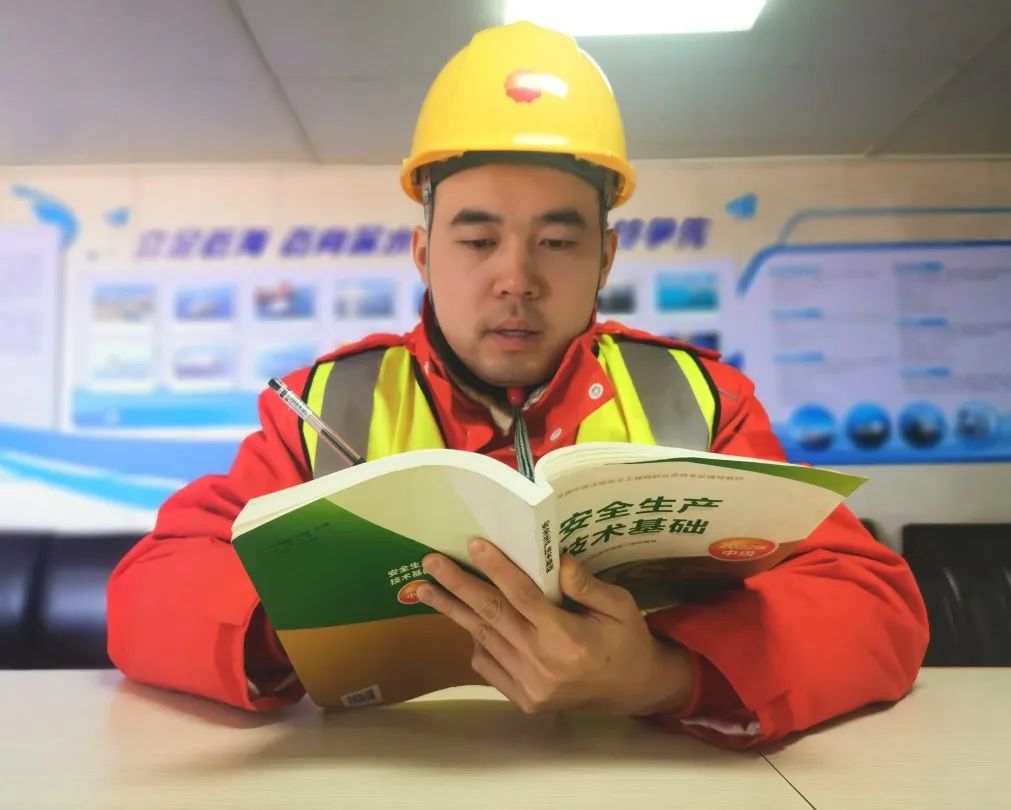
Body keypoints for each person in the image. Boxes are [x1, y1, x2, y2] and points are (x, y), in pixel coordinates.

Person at [107, 21, 928, 749]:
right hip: (386, 776)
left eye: (557, 242)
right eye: (476, 241)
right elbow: (149, 593)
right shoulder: (323, 408)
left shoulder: (699, 401)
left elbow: (873, 606)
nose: (516, 279)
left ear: (605, 257)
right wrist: (297, 626)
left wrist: (661, 677)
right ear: (423, 254)